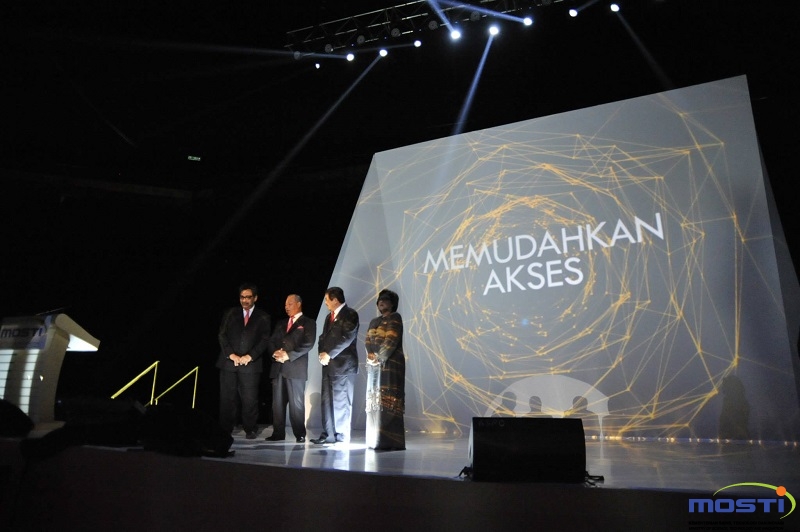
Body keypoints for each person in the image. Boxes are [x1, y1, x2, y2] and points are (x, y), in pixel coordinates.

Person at [216, 283, 272, 439]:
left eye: (248, 297)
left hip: (250, 364)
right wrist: (231, 354)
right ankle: (225, 428)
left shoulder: (263, 316)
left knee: (250, 398)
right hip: (229, 363)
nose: (244, 300)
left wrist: (250, 356)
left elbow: (264, 339)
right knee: (227, 398)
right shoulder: (230, 313)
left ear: (255, 298)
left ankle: (250, 428)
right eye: (242, 297)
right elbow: (222, 335)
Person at [311, 286, 359, 444]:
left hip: (343, 366)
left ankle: (341, 436)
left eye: (327, 300)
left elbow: (347, 338)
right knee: (326, 400)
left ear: (335, 300)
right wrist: (321, 354)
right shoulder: (328, 317)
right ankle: (328, 434)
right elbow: (322, 337)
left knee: (341, 401)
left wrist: (329, 353)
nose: (325, 303)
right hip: (328, 365)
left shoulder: (350, 314)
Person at [266, 294, 316, 443]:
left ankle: (299, 434)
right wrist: (275, 352)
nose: (286, 307)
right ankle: (278, 433)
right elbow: (271, 341)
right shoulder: (281, 323)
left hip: (295, 368)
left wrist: (288, 355)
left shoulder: (308, 322)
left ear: (299, 304)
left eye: (290, 304)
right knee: (277, 404)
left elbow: (308, 343)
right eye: (285, 304)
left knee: (296, 404)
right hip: (278, 368)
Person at [364, 289, 406, 451]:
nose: (381, 302)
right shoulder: (374, 321)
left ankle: (390, 441)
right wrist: (370, 354)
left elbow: (391, 339)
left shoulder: (395, 317)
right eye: (379, 300)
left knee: (388, 400)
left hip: (390, 364)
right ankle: (375, 440)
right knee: (374, 400)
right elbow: (368, 340)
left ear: (392, 303)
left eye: (385, 299)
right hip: (374, 365)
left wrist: (379, 357)